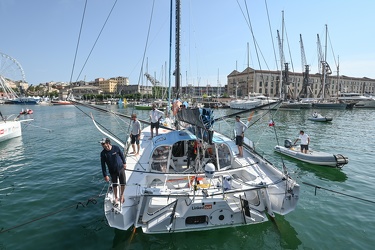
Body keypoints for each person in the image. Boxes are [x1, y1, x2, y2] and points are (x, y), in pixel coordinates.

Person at [99, 138, 127, 205]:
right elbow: (103, 165)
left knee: (123, 183)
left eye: (103, 143)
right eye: (102, 144)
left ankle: (122, 195)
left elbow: (121, 155)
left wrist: (124, 163)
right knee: (114, 184)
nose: (102, 145)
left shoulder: (116, 148)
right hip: (112, 171)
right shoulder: (103, 154)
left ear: (108, 143)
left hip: (121, 169)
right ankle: (116, 197)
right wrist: (105, 175)